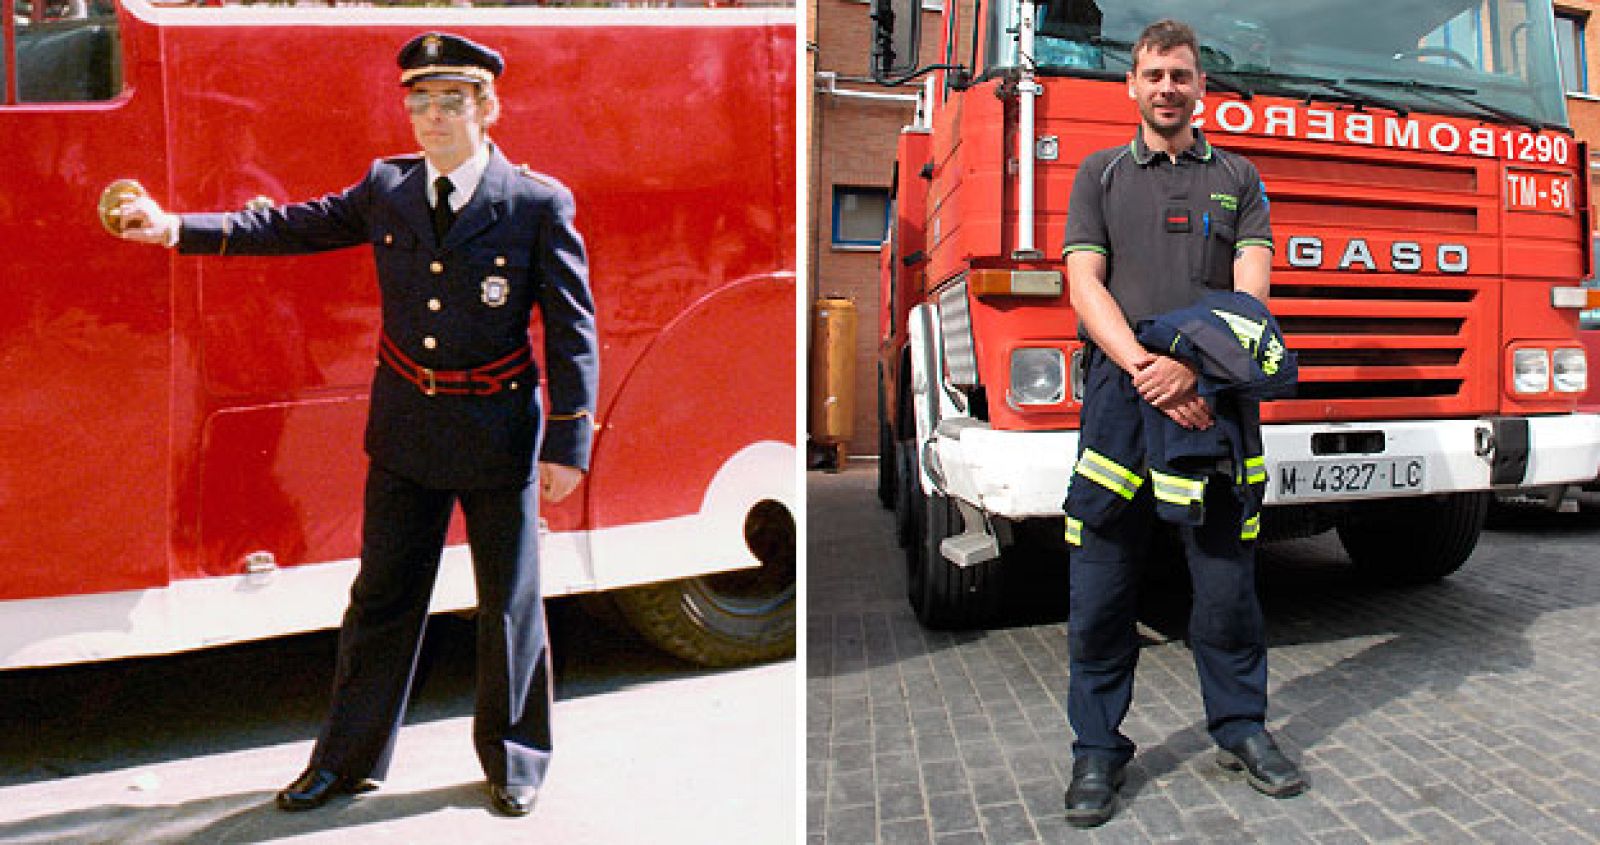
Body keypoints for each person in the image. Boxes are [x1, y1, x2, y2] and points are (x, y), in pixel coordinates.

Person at [116, 31, 597, 818]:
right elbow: (292, 226)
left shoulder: (537, 202)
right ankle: (346, 761)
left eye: (449, 102)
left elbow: (572, 327)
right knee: (379, 601)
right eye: (419, 101)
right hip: (407, 425)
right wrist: (175, 228)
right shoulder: (389, 188)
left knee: (507, 602)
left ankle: (516, 758)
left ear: (486, 108)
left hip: (496, 428)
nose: (431, 117)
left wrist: (568, 441)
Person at [1058, 19, 1305, 828]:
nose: (1168, 87)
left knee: (1226, 587)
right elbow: (1085, 285)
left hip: (1212, 401)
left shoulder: (1239, 177)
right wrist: (1145, 369)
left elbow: (1252, 295)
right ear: (1131, 86)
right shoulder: (1098, 175)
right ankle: (1097, 748)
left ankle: (1242, 727)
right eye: (1154, 73)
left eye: (1183, 75)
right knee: (1101, 585)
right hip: (1123, 404)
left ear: (1203, 89)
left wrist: (1194, 368)